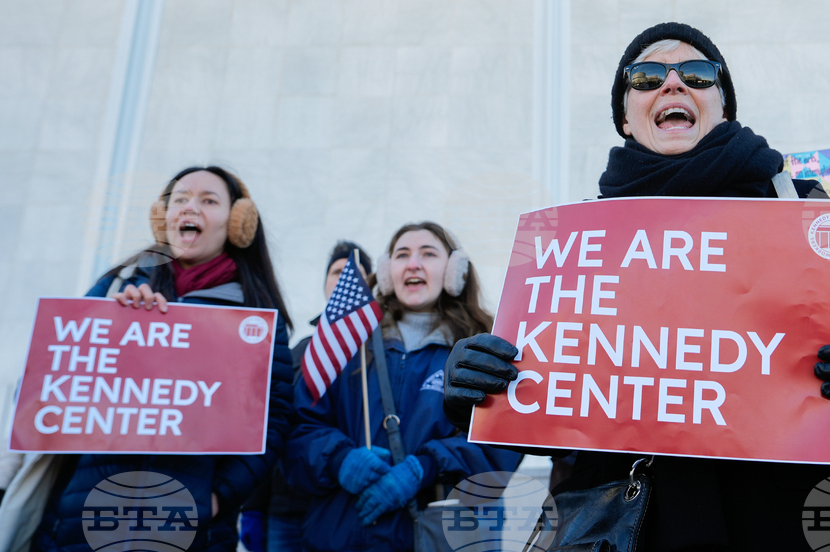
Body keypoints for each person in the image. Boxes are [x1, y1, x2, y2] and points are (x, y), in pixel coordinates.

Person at [443, 23, 830, 550]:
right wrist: (483, 390)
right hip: (633, 524)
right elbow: (557, 412)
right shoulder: (577, 239)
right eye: (648, 76)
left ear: (722, 106)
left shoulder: (801, 209)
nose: (673, 83)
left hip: (779, 522)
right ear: (627, 117)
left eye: (698, 74)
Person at [29, 166, 294, 552]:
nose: (191, 208)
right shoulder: (115, 287)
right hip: (80, 521)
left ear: (239, 223)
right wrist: (114, 324)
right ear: (162, 216)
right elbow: (54, 390)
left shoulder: (256, 317)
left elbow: (275, 419)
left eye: (208, 200)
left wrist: (217, 497)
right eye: (181, 199)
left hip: (192, 529)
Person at [284, 222, 521, 552]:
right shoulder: (346, 344)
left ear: (455, 269)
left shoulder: (483, 351)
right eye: (402, 254)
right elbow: (299, 429)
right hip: (341, 535)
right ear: (386, 272)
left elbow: (502, 445)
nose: (413, 263)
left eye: (428, 253)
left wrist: (426, 467)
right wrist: (338, 459)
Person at [240, 241, 374, 552]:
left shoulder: (380, 354)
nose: (345, 279)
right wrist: (253, 505)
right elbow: (270, 427)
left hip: (344, 508)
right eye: (337, 271)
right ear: (326, 283)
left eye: (356, 273)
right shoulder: (300, 351)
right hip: (286, 509)